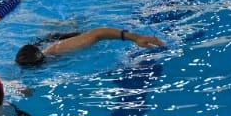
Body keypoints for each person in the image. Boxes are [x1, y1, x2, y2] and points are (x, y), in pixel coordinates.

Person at [15, 26, 165, 68]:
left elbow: (98, 33)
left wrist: (136, 37)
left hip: (65, 39)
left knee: (71, 28)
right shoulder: (23, 62)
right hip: (47, 43)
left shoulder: (59, 49)